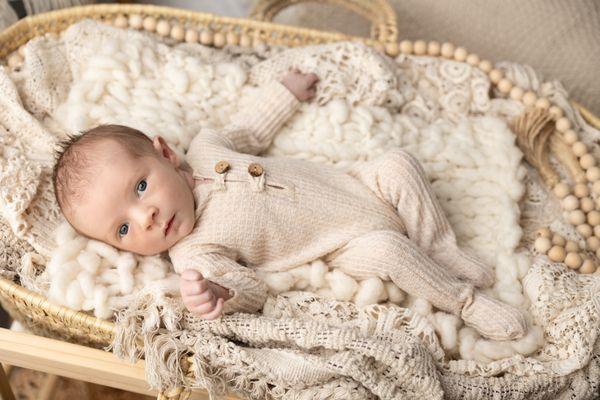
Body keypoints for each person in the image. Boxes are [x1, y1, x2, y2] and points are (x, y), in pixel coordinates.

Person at [52, 70, 527, 341]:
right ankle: (468, 302)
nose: (146, 218)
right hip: (344, 242)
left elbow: (252, 130)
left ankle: (441, 249)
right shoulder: (194, 254)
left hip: (358, 186)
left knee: (399, 163)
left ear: (165, 153)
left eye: (139, 188)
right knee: (388, 251)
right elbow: (251, 289)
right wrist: (218, 293)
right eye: (122, 230)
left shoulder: (208, 147)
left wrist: (285, 94)